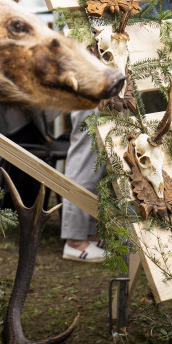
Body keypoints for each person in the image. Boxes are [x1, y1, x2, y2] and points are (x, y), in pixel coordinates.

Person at [60, 108, 107, 262]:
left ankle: (90, 234)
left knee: (96, 169)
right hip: (95, 91)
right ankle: (75, 241)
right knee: (84, 161)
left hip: (107, 91)